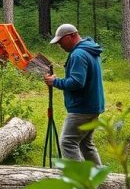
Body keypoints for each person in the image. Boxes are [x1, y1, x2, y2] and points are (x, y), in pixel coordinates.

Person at [44, 24, 105, 165]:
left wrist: (55, 82)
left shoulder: (78, 54)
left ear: (71, 36)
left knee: (67, 142)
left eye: (61, 41)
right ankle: (99, 179)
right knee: (86, 144)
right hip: (93, 106)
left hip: (82, 109)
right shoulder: (89, 49)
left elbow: (77, 82)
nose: (59, 45)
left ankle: (80, 180)